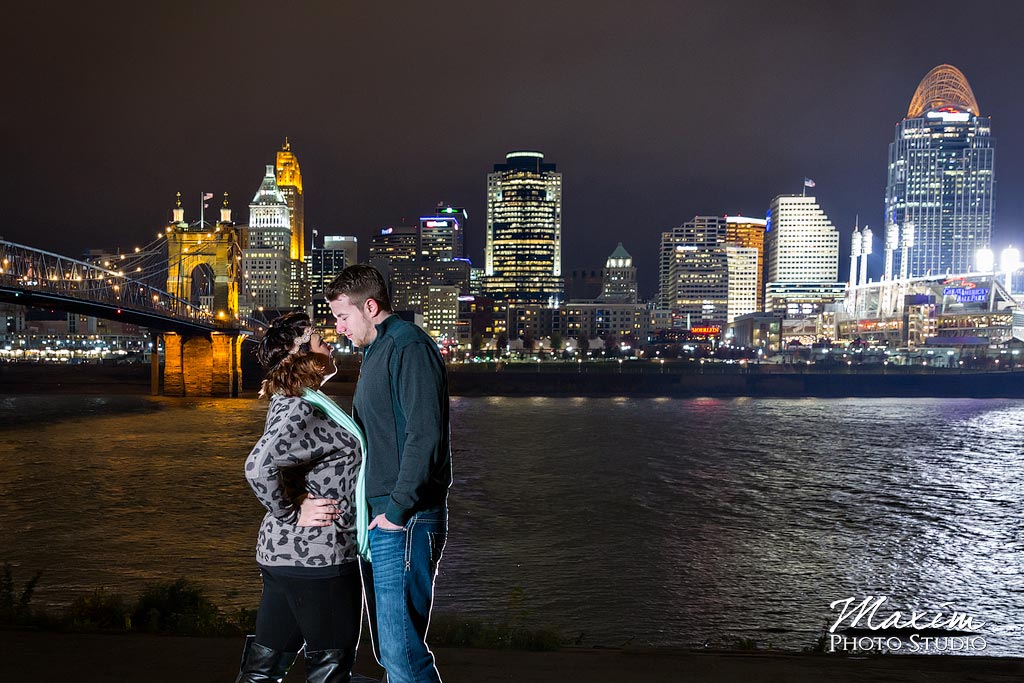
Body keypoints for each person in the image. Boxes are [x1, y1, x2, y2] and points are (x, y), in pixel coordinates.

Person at [326, 264, 452, 683]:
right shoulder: (376, 351)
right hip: (381, 518)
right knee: (390, 650)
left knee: (402, 653)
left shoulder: (408, 347)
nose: (339, 327)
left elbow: (425, 433)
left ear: (371, 306)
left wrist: (396, 512)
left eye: (343, 317)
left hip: (405, 520)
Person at [237, 311, 365, 683]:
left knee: (262, 671)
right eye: (318, 339)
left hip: (284, 557)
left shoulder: (295, 399)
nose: (329, 343)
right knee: (329, 673)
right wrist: (292, 512)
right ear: (300, 355)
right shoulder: (300, 406)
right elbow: (258, 466)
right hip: (319, 558)